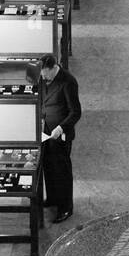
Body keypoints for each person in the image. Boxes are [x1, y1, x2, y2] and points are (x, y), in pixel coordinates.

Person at [37, 55, 81, 224]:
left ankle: (65, 207)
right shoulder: (44, 78)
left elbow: (75, 112)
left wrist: (61, 127)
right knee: (48, 167)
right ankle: (53, 198)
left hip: (60, 133)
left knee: (61, 171)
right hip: (46, 132)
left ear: (53, 67)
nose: (42, 77)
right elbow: (43, 101)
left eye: (45, 73)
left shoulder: (68, 81)